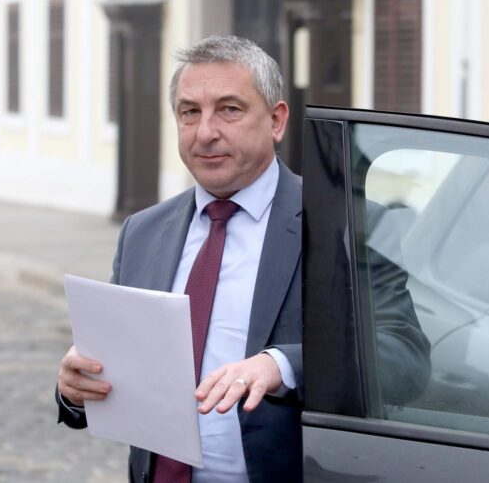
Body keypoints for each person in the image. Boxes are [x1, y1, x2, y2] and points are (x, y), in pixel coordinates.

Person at [56, 35, 429, 483]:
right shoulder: (143, 231)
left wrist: (283, 365)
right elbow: (117, 365)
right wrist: (75, 390)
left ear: (276, 120)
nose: (205, 132)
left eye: (229, 109)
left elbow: (403, 357)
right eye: (189, 112)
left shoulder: (346, 224)